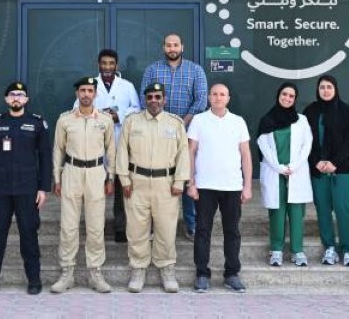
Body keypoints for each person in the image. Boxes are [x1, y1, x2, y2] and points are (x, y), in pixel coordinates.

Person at [0, 81, 52, 295]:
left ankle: (34, 279)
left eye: (20, 94)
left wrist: (43, 188)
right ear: (6, 99)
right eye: (12, 94)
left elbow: (45, 157)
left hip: (27, 188)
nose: (16, 98)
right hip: (0, 188)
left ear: (26, 99)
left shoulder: (36, 123)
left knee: (29, 234)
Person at [116, 82, 189, 293]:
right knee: (136, 230)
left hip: (165, 185)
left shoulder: (175, 123)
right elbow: (122, 152)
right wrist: (124, 180)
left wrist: (179, 181)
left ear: (164, 99)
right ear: (144, 100)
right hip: (136, 183)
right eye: (150, 97)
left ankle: (167, 268)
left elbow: (183, 154)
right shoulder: (132, 122)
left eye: (158, 97)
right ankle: (138, 268)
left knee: (166, 230)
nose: (154, 101)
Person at [51, 76, 116, 293]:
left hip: (96, 173)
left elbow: (111, 151)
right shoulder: (65, 120)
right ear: (77, 94)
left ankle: (95, 273)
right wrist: (57, 178)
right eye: (82, 90)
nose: (86, 94)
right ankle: (67, 273)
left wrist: (111, 178)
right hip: (72, 171)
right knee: (68, 226)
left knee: (96, 227)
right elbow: (58, 150)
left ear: (95, 94)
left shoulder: (105, 120)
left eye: (90, 90)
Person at [186, 82, 253, 293]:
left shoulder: (238, 122)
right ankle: (202, 274)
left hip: (232, 186)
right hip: (204, 185)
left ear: (228, 98)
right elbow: (190, 152)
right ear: (209, 97)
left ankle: (231, 274)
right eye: (214, 94)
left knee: (232, 231)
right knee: (202, 231)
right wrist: (191, 182)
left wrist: (247, 186)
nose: (218, 97)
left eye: (222, 94)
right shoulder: (199, 120)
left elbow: (246, 155)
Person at [140, 33, 207, 238]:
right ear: (164, 48)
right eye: (168, 45)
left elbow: (201, 100)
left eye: (175, 45)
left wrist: (182, 122)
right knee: (159, 178)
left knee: (187, 176)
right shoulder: (152, 70)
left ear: (182, 47)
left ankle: (191, 224)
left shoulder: (195, 70)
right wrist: (164, 122)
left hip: (188, 131)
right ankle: (155, 224)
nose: (172, 48)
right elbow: (145, 98)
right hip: (158, 131)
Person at [74, 48, 140, 242]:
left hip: (120, 142)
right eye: (104, 63)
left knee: (120, 188)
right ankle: (97, 227)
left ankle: (120, 227)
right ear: (98, 65)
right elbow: (76, 108)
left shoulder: (127, 86)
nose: (107, 67)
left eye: (111, 63)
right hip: (94, 144)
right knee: (96, 190)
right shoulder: (89, 85)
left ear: (116, 65)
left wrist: (118, 115)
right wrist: (98, 114)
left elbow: (136, 109)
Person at [303, 74, 349, 267]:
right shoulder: (310, 111)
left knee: (343, 208)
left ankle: (348, 250)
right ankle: (329, 247)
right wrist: (316, 162)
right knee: (323, 209)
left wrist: (334, 162)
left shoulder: (346, 111)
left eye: (329, 87)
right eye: (322, 87)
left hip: (342, 168)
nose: (325, 90)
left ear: (335, 89)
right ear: (317, 90)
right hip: (318, 169)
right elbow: (305, 140)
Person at [256, 82, 313, 267]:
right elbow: (263, 147)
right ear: (278, 95)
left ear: (295, 99)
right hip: (275, 171)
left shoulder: (302, 120)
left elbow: (307, 145)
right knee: (277, 212)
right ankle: (276, 250)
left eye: (291, 96)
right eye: (284, 94)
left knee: (296, 212)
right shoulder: (267, 120)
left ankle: (297, 251)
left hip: (296, 171)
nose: (287, 98)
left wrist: (293, 166)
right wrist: (280, 168)